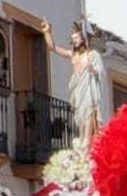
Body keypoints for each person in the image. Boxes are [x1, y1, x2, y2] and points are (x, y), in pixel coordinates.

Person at [43, 20, 107, 149]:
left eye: (76, 38)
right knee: (80, 113)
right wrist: (47, 32)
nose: (74, 41)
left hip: (88, 87)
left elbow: (100, 72)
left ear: (83, 39)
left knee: (88, 110)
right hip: (78, 87)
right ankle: (82, 137)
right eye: (73, 39)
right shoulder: (73, 54)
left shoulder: (92, 55)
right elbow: (53, 47)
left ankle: (86, 139)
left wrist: (92, 70)